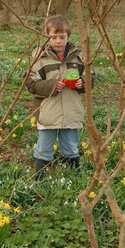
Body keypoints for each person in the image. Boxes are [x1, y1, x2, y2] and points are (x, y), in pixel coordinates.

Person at [26, 15, 94, 177]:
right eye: (53, 37)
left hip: (72, 111)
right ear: (47, 37)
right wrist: (52, 85)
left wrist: (82, 83)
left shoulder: (79, 57)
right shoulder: (39, 58)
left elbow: (90, 78)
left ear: (68, 37)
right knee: (44, 147)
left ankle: (75, 178)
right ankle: (39, 178)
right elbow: (31, 84)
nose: (58, 41)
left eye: (62, 37)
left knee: (71, 146)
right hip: (48, 112)